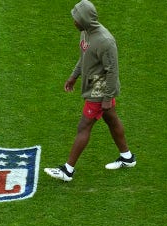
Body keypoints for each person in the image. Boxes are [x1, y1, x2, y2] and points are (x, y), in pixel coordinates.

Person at [45, 0, 135, 182]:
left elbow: (113, 71)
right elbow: (85, 56)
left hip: (100, 88)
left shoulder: (105, 41)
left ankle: (67, 170)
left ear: (85, 19)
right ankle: (127, 157)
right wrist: (74, 76)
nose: (74, 22)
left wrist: (108, 97)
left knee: (84, 126)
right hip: (95, 85)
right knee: (111, 119)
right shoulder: (86, 32)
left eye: (76, 19)